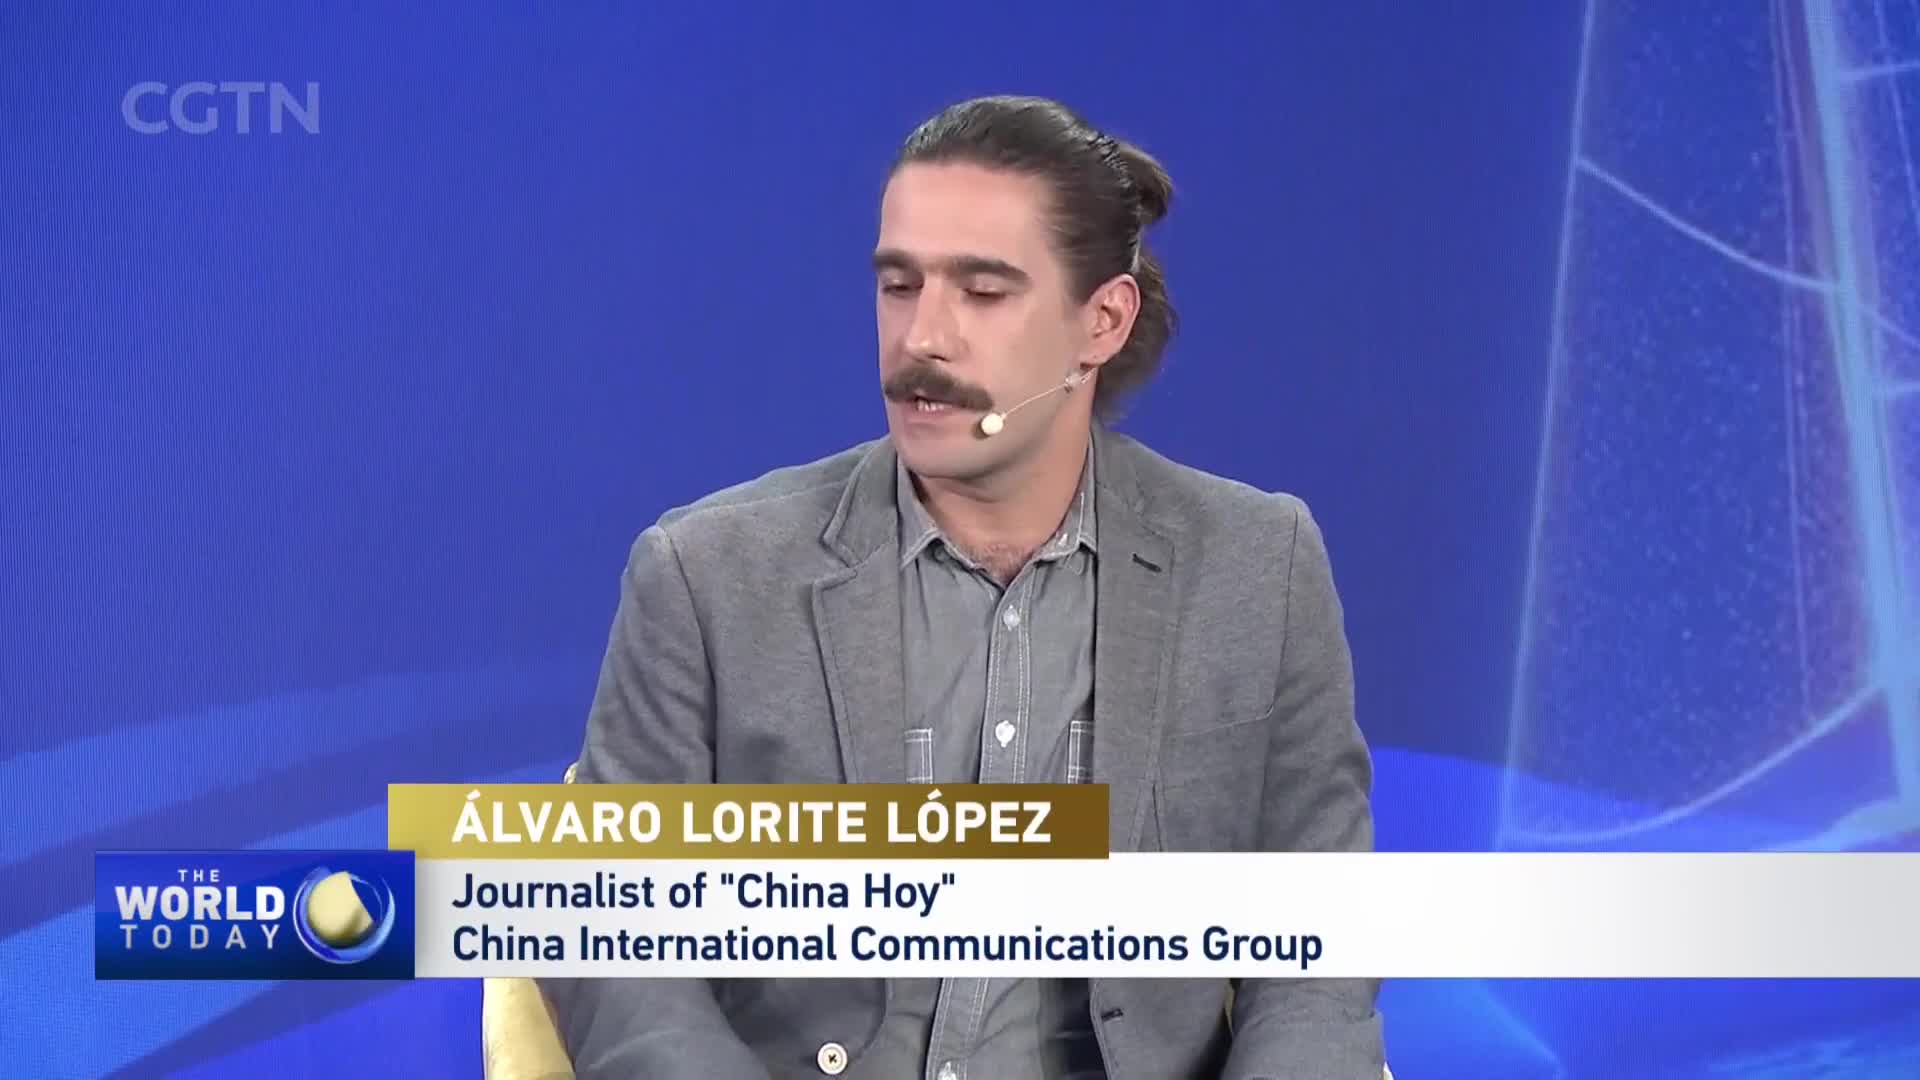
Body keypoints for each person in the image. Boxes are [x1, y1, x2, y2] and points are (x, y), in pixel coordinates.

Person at [541, 94, 1384, 1079]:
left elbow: (1317, 952)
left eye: (983, 292)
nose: (921, 340)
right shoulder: (706, 576)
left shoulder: (1258, 568)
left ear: (1100, 322)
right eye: (900, 287)